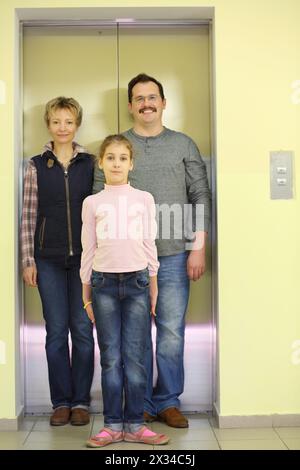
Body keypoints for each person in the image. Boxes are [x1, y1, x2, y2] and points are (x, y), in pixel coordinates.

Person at [93, 74, 211, 428]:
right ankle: (140, 403)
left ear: (163, 102)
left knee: (171, 330)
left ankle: (168, 401)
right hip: (128, 259)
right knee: (136, 334)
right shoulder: (117, 147)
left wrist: (198, 248)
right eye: (139, 98)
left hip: (174, 254)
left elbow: (200, 196)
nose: (146, 103)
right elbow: (98, 201)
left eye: (152, 97)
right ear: (130, 105)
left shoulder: (184, 145)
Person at [81, 134, 169, 447]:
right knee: (110, 358)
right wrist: (85, 292)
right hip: (103, 285)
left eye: (122, 158)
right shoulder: (92, 203)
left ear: (131, 164)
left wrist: (154, 284)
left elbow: (149, 242)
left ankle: (134, 425)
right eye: (110, 158)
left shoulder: (143, 198)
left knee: (135, 358)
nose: (116, 163)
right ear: (101, 163)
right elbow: (88, 249)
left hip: (137, 283)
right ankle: (112, 426)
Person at [21, 96, 95, 426]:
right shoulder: (36, 165)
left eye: (68, 121)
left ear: (77, 124)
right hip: (47, 260)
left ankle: (81, 402)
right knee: (55, 333)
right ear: (48, 125)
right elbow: (28, 215)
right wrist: (27, 259)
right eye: (56, 122)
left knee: (82, 330)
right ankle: (60, 402)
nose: (62, 127)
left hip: (84, 261)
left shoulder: (91, 163)